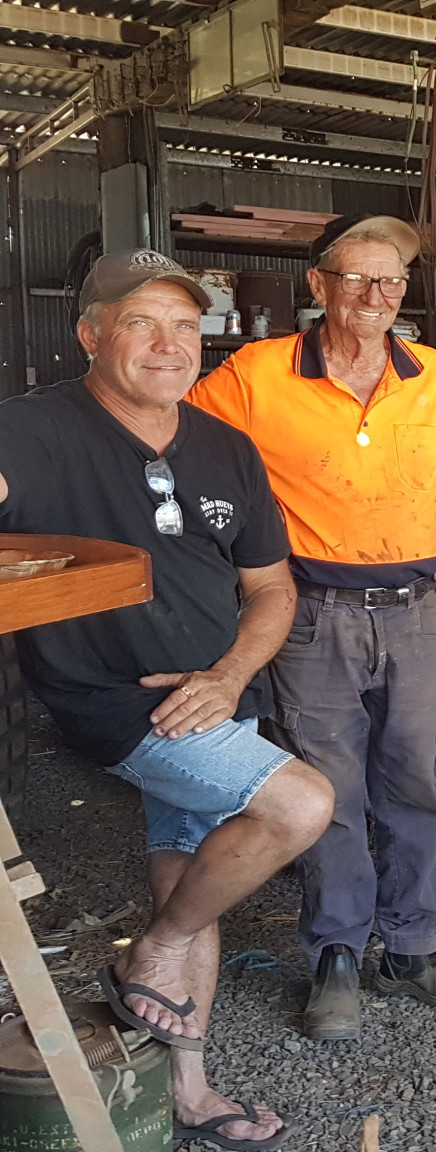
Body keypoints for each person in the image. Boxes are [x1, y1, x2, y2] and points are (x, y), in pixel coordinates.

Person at [0, 250, 334, 1150]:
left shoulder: (226, 446)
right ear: (91, 334)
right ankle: (150, 948)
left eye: (185, 325)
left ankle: (187, 1091)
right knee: (299, 803)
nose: (168, 343)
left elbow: (272, 591)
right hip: (118, 700)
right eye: (141, 321)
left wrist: (226, 678)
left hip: (216, 700)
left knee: (199, 876)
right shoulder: (31, 430)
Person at [189, 215, 436, 1041]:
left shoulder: (433, 375)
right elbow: (175, 441)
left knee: (414, 784)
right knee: (330, 790)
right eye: (355, 278)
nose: (375, 296)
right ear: (317, 287)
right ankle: (338, 954)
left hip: (418, 613)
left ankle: (414, 948)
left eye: (390, 281)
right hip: (312, 612)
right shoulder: (254, 375)